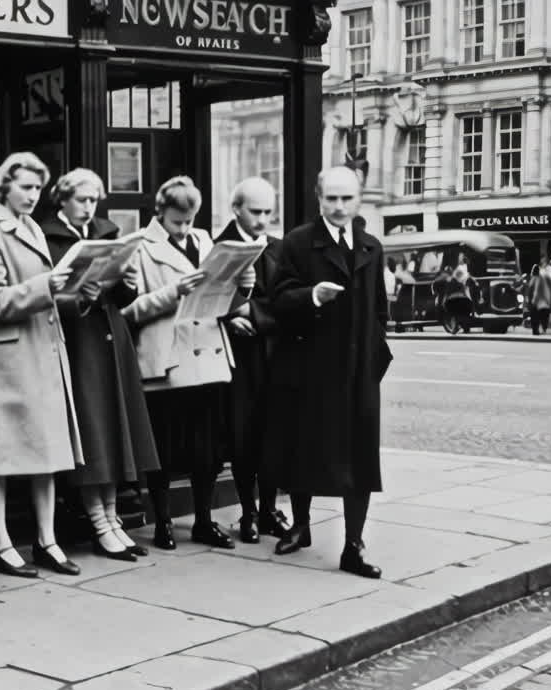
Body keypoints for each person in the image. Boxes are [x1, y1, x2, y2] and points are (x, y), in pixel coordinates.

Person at [0, 152, 83, 578]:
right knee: (0, 452)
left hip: (37, 346)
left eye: (37, 189)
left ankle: (46, 539)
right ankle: (0, 542)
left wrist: (78, 285)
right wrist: (45, 286)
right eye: (25, 188)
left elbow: (39, 290)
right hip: (5, 353)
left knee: (44, 448)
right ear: (2, 186)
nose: (33, 196)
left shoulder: (27, 225)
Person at [266, 166, 391, 579]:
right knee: (306, 450)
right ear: (319, 199)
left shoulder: (371, 246)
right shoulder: (298, 244)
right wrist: (312, 297)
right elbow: (277, 300)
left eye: (346, 199)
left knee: (360, 460)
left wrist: (376, 356)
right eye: (331, 199)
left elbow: (379, 310)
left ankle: (353, 546)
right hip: (311, 369)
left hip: (358, 372)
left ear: (358, 200)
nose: (338, 207)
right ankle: (301, 527)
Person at [38, 168, 160, 562]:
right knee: (92, 430)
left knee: (112, 429)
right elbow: (49, 294)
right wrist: (82, 294)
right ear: (63, 199)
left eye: (94, 200)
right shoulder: (48, 236)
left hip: (111, 338)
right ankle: (98, 521)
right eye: (82, 200)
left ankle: (113, 518)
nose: (89, 208)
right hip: (77, 341)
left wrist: (126, 277)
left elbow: (125, 298)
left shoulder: (106, 232)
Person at [120, 176, 248, 551]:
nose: (185, 228)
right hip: (168, 359)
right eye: (177, 221)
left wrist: (243, 287)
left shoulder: (206, 241)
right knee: (164, 448)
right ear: (160, 212)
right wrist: (172, 293)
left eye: (189, 220)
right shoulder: (140, 247)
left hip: (207, 353)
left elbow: (223, 298)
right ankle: (162, 522)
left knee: (207, 450)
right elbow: (128, 310)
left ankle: (204, 520)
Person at [213, 176, 291, 544]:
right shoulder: (220, 248)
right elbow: (208, 298)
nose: (262, 219)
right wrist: (231, 315)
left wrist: (252, 311)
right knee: (245, 437)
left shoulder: (279, 248)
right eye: (255, 211)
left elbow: (289, 302)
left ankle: (269, 509)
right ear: (236, 209)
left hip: (274, 353)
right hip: (240, 358)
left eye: (268, 212)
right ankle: (248, 513)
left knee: (274, 435)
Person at [525, 256, 551, 336]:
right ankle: (547, 329)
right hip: (543, 300)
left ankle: (542, 329)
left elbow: (533, 289)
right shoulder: (541, 276)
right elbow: (534, 289)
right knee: (545, 315)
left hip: (543, 300)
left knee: (542, 315)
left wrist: (531, 300)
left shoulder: (546, 276)